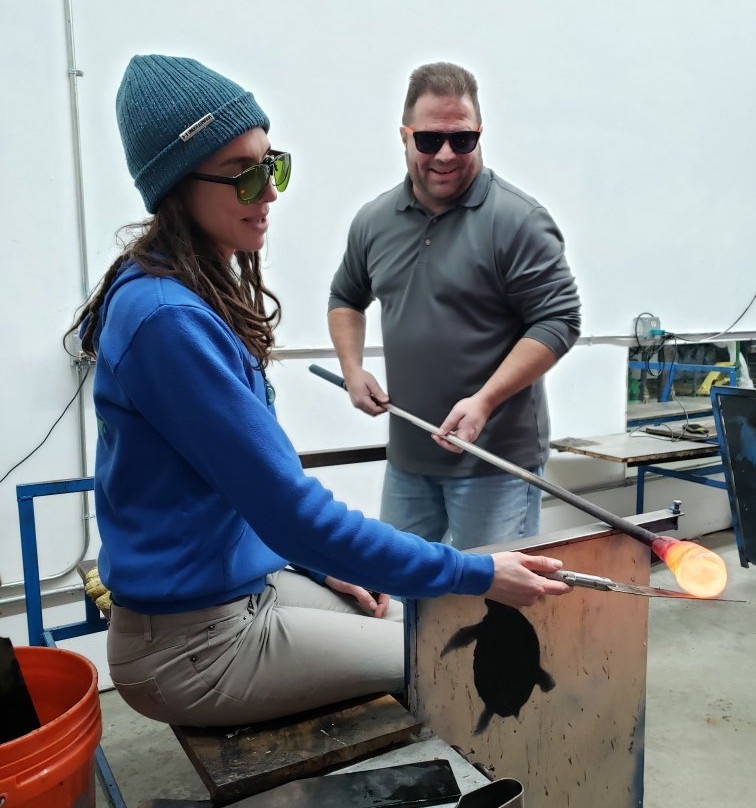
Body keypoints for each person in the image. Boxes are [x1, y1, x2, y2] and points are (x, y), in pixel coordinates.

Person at [67, 54, 570, 729]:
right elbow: (289, 507)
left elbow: (250, 500)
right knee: (446, 653)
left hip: (244, 589)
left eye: (272, 166)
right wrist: (475, 573)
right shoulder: (168, 320)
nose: (270, 194)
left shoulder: (183, 294)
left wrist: (313, 564)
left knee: (398, 608)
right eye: (245, 174)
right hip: (195, 643)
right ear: (177, 187)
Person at [328, 62, 581, 551]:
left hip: (495, 465)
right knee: (398, 586)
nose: (445, 155)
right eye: (429, 140)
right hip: (408, 461)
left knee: (489, 595)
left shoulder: (518, 220)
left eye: (461, 140)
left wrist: (484, 400)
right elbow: (346, 297)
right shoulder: (374, 221)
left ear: (479, 134)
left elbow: (559, 320)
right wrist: (352, 369)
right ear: (404, 136)